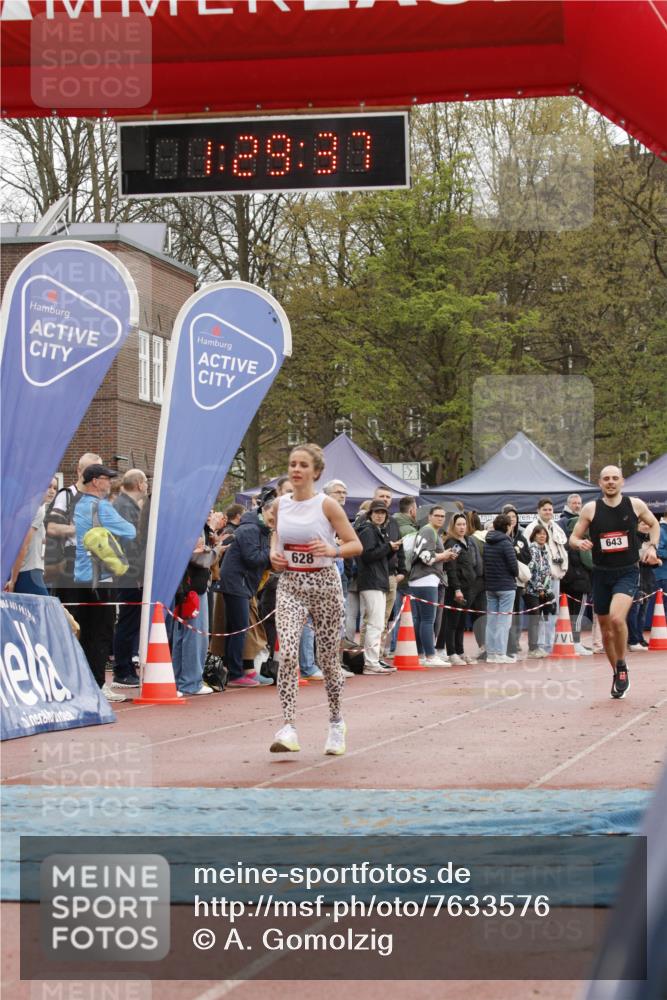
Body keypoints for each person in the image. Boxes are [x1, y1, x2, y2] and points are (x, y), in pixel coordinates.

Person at [270, 443, 362, 755]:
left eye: (303, 465)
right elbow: (276, 537)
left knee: (327, 659)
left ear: (316, 472)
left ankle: (336, 723)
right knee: (288, 653)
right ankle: (288, 727)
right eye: (292, 464)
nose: (295, 469)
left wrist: (333, 550)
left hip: (324, 584)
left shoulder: (327, 506)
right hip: (291, 584)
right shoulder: (280, 504)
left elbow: (355, 544)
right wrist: (274, 555)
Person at [570, 465, 660, 699]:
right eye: (606, 479)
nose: (611, 482)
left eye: (615, 478)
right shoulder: (591, 509)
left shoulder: (635, 504)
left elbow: (654, 524)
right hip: (600, 574)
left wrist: (651, 546)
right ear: (600, 483)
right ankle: (619, 670)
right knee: (607, 631)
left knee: (617, 618)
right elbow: (573, 537)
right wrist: (579, 543)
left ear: (622, 482)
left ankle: (621, 665)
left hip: (627, 571)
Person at [72, 464, 136, 703]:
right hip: (101, 577)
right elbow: (129, 531)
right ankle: (98, 686)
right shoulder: (102, 507)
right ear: (94, 481)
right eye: (106, 478)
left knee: (86, 632)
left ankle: (86, 683)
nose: (110, 482)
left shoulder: (79, 505)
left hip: (80, 575)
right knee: (102, 632)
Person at [219, 492, 278, 688]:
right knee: (239, 628)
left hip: (242, 583)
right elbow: (252, 557)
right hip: (237, 583)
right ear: (265, 510)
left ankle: (234, 669)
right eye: (273, 514)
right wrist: (272, 552)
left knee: (238, 628)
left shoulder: (261, 530)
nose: (276, 519)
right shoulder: (250, 529)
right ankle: (235, 673)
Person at [110, 469, 149, 688]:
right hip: (128, 573)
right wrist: (135, 572)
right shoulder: (125, 508)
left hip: (128, 571)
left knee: (130, 620)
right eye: (145, 482)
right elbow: (128, 543)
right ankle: (122, 669)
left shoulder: (126, 506)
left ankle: (124, 666)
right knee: (128, 620)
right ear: (139, 484)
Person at [408, 506, 457, 667]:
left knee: (421, 619)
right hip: (426, 578)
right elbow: (426, 557)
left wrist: (444, 556)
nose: (441, 518)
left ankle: (422, 654)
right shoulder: (428, 531)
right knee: (428, 619)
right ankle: (430, 655)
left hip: (421, 579)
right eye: (437, 515)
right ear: (429, 517)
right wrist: (444, 555)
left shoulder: (429, 531)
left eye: (443, 516)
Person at [357, 499, 400, 675]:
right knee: (375, 623)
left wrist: (390, 549)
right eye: (377, 512)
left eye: (383, 513)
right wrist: (388, 547)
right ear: (370, 514)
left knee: (377, 623)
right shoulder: (368, 530)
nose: (380, 515)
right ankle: (370, 662)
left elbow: (376, 556)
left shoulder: (375, 530)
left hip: (377, 580)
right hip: (371, 581)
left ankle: (373, 660)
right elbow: (367, 556)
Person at [524, 498, 569, 654]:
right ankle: (540, 645)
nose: (548, 512)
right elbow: (529, 559)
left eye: (550, 509)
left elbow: (562, 549)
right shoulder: (531, 529)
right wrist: (538, 584)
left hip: (554, 576)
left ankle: (550, 644)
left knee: (551, 611)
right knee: (539, 614)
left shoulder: (556, 528)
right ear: (538, 510)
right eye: (545, 509)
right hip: (537, 582)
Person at [6, 477, 58, 596]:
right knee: (48, 611)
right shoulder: (38, 510)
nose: (52, 491)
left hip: (21, 571)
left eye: (55, 488)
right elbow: (23, 546)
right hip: (28, 572)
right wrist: (13, 580)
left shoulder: (26, 508)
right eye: (48, 486)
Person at [483, 513, 518, 664]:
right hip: (506, 586)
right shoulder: (506, 543)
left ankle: (491, 653)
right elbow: (513, 566)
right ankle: (500, 652)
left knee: (491, 620)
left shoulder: (487, 542)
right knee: (504, 620)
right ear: (507, 527)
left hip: (490, 585)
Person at [441, 513, 477, 665]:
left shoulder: (468, 541)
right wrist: (456, 589)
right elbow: (451, 568)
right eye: (459, 525)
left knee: (462, 622)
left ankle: (460, 651)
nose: (462, 527)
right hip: (456, 588)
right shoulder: (452, 543)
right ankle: (452, 653)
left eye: (464, 524)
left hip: (469, 587)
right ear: (453, 526)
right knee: (452, 622)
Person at [502, 505, 531, 659]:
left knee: (517, 612)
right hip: (505, 579)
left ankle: (516, 640)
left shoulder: (521, 536)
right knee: (508, 613)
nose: (512, 519)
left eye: (514, 517)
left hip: (519, 580)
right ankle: (508, 642)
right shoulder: (500, 535)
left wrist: (517, 554)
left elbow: (528, 557)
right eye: (509, 517)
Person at [524, 525, 555, 658]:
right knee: (535, 618)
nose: (542, 536)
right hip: (531, 591)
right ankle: (532, 648)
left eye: (544, 534)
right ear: (534, 535)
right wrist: (539, 588)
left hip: (544, 590)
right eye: (539, 534)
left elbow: (547, 571)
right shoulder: (532, 549)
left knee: (542, 618)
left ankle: (538, 646)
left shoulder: (545, 550)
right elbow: (531, 571)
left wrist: (547, 588)